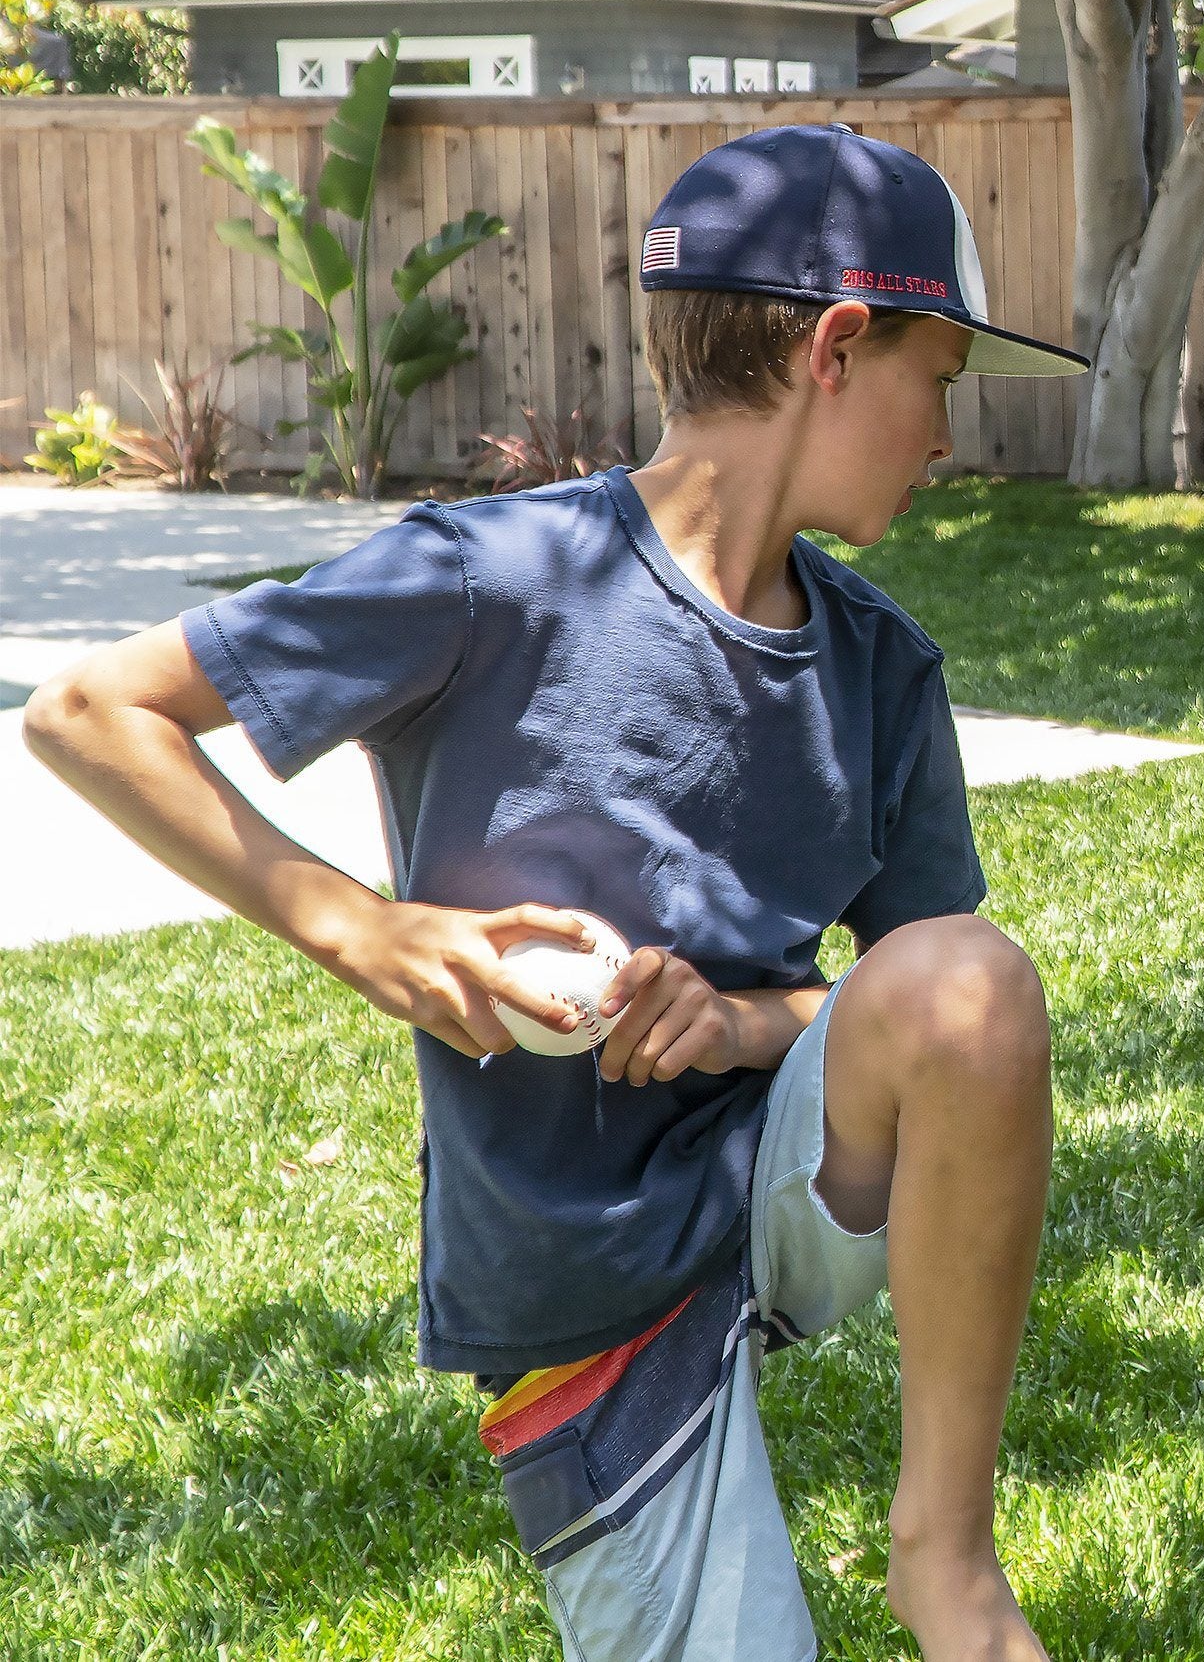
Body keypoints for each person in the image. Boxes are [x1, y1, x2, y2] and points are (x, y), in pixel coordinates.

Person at [24, 122, 1089, 1662]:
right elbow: (88, 715)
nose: (947, 435)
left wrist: (732, 1021)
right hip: (583, 1284)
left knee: (973, 979)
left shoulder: (880, 667)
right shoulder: (487, 576)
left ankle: (944, 1553)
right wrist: (367, 929)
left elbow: (908, 1018)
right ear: (841, 349)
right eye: (944, 376)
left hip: (790, 1192)